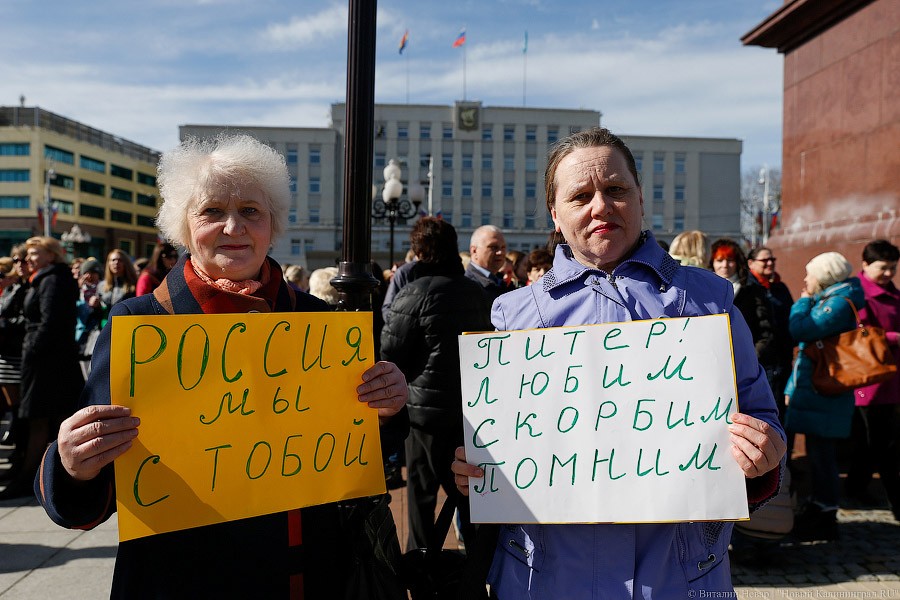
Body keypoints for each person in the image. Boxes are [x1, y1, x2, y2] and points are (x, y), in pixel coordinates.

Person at [35, 134, 410, 597]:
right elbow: (90, 492)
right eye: (212, 211)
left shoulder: (320, 322)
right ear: (184, 227)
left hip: (306, 577)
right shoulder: (141, 325)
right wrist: (72, 465)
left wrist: (388, 404)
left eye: (251, 211)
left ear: (272, 224)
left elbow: (364, 451)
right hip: (182, 581)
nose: (234, 227)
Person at [451, 127, 785, 597]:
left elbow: (763, 419)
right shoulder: (513, 316)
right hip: (544, 578)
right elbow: (494, 450)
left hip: (679, 576)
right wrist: (475, 471)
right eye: (581, 195)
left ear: (640, 198)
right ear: (555, 213)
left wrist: (762, 458)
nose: (600, 206)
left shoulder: (708, 300)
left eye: (616, 190)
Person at [380, 217, 492, 551]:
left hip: (423, 416)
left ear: (419, 251)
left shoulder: (414, 293)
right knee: (470, 493)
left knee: (421, 494)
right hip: (470, 412)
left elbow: (390, 353)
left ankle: (421, 566)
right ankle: (476, 566)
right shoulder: (479, 294)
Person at [784, 251, 865, 541]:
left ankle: (825, 512)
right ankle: (819, 507)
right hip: (819, 390)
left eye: (811, 273)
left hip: (826, 391)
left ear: (826, 275)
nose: (806, 279)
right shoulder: (838, 299)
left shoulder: (838, 303)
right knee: (819, 453)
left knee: (822, 456)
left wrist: (803, 300)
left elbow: (801, 329)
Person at [1, 237, 83, 500]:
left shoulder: (53, 280)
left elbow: (49, 323)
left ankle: (30, 478)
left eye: (35, 253)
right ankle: (39, 475)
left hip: (47, 363)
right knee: (44, 420)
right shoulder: (47, 277)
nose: (30, 258)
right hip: (45, 360)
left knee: (41, 419)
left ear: (51, 255)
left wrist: (32, 348)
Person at [846, 240, 900, 520]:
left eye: (893, 268)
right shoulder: (859, 293)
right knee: (880, 442)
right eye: (884, 268)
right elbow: (861, 331)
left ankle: (855, 486)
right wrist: (894, 338)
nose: (889, 274)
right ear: (865, 265)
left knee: (873, 442)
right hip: (868, 378)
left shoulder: (893, 294)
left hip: (890, 376)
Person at [709, 239, 776, 370]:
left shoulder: (752, 290)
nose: (724, 265)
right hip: (713, 363)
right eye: (719, 260)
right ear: (712, 263)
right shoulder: (703, 289)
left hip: (745, 363)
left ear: (737, 263)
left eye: (730, 260)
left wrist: (752, 357)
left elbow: (765, 329)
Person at [747, 246, 795, 422]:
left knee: (781, 409)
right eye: (764, 260)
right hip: (760, 359)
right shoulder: (748, 288)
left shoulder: (779, 287)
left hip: (781, 359)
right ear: (751, 263)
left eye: (772, 260)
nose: (769, 263)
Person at [0, 248, 28, 453]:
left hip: (16, 352)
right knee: (12, 406)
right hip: (6, 352)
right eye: (16, 259)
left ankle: (19, 449)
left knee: (19, 408)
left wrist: (5, 322)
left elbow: (23, 320)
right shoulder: (13, 288)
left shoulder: (23, 288)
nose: (20, 263)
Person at [465, 225, 515, 301]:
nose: (500, 252)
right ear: (474, 251)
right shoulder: (467, 286)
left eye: (503, 247)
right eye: (493, 247)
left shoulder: (501, 282)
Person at [74, 258, 104, 379]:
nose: (89, 276)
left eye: (93, 272)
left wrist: (97, 306)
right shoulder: (78, 291)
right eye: (86, 272)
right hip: (79, 337)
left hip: (95, 337)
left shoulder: (102, 289)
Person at [98, 249, 137, 315]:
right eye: (113, 260)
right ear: (108, 263)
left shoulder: (134, 285)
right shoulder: (101, 285)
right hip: (105, 323)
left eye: (120, 260)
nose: (116, 263)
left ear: (126, 263)